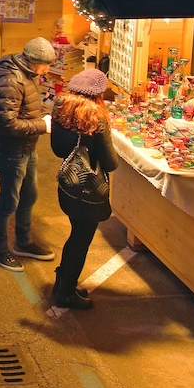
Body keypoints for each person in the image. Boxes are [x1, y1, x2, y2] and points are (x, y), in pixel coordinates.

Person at [50, 69, 118, 309]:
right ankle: (65, 293)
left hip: (68, 185)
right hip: (88, 190)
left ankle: (62, 282)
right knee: (81, 239)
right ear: (98, 93)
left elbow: (58, 149)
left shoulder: (60, 107)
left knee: (75, 234)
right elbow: (111, 162)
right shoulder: (96, 116)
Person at [0, 37, 57, 272]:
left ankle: (23, 242)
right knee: (8, 202)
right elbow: (7, 123)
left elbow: (27, 108)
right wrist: (42, 125)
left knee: (28, 197)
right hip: (11, 152)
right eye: (45, 65)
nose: (46, 70)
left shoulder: (27, 75)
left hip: (27, 149)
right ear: (32, 61)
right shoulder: (11, 80)